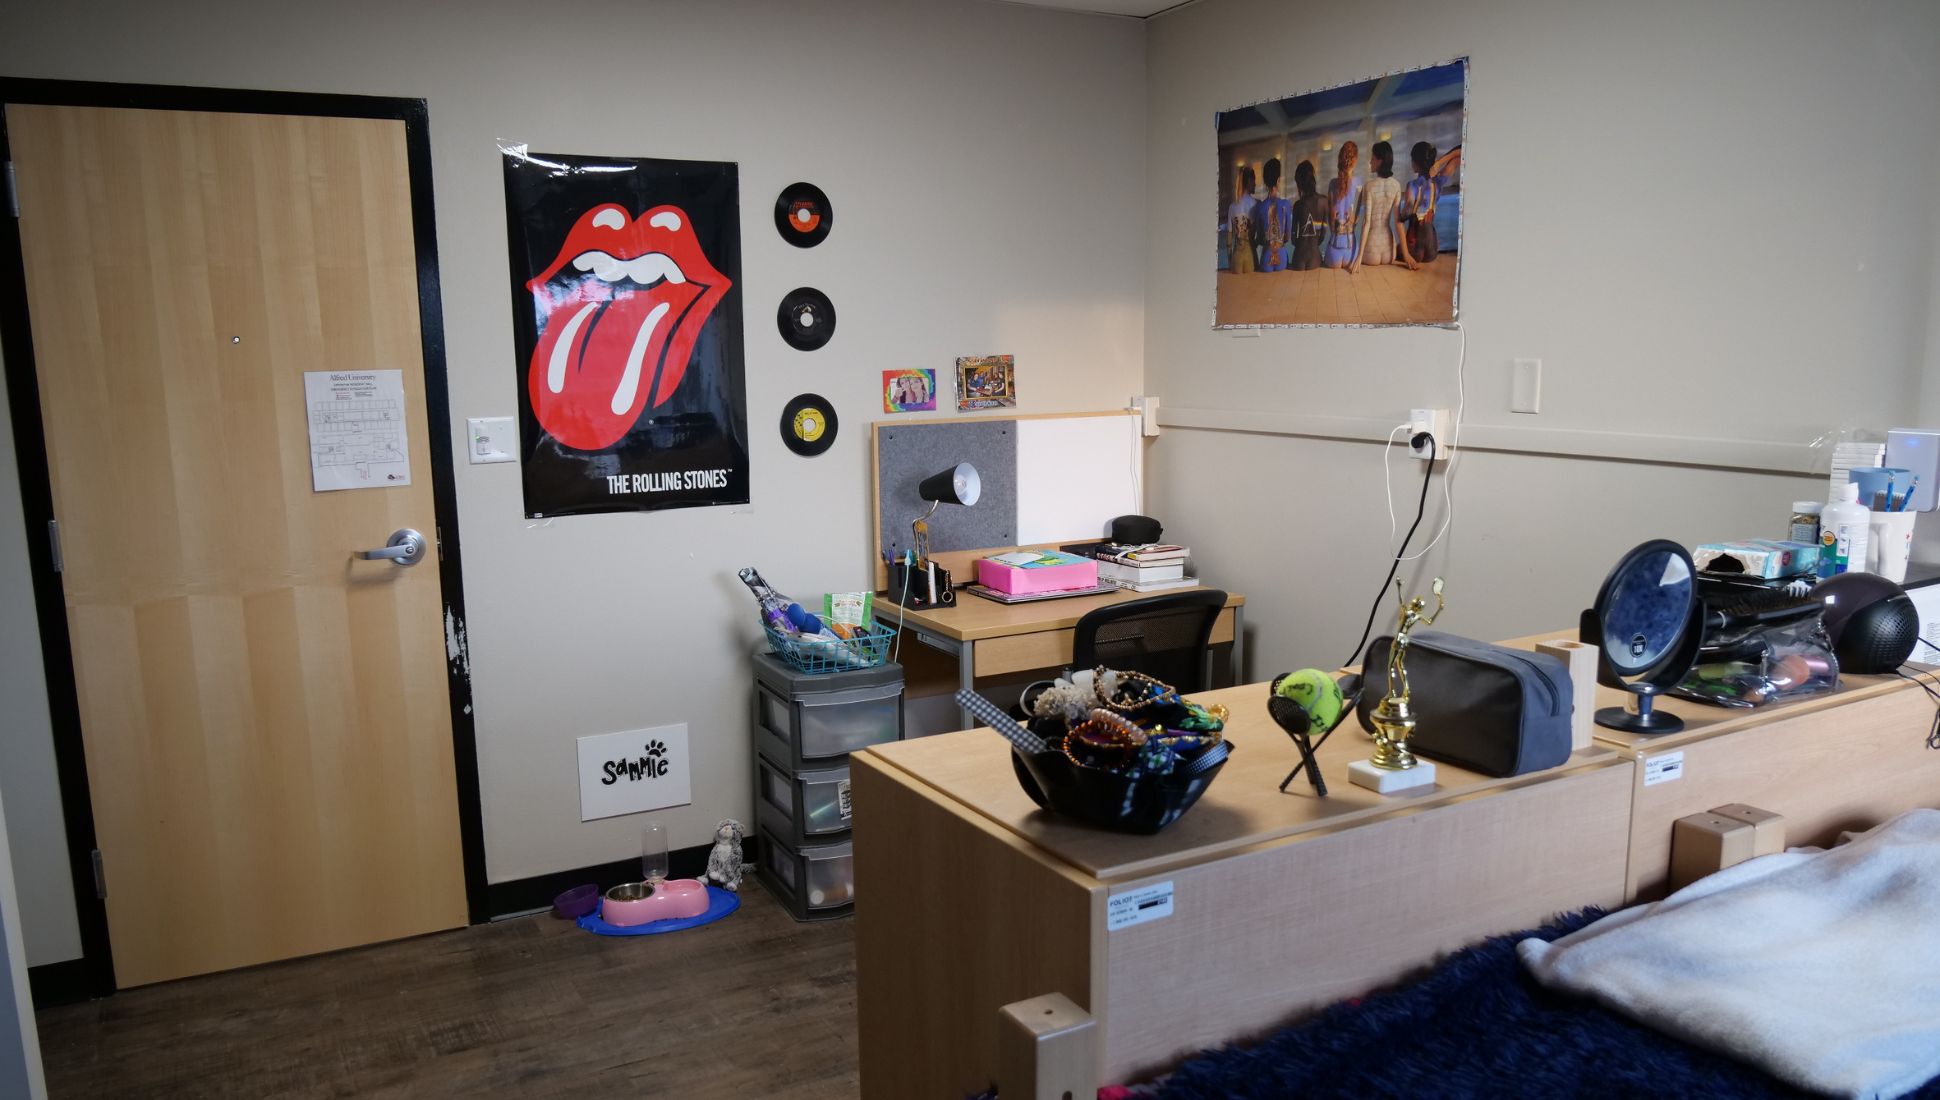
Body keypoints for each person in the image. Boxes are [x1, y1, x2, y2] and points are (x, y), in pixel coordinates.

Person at [1350, 140, 1402, 274]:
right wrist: (1406, 254)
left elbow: (1367, 223)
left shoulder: (1369, 186)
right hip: (1390, 252)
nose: (1370, 162)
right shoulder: (1396, 185)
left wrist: (1359, 257)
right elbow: (1398, 222)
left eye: (1372, 158)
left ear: (1380, 161)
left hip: (1371, 251)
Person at [1322, 141, 1362, 269]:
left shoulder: (1332, 184)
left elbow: (1331, 223)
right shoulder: (1359, 184)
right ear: (1355, 160)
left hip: (1334, 249)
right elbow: (1356, 220)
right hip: (1352, 251)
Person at [1401, 141, 1439, 268]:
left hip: (1415, 245)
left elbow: (1406, 213)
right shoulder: (1437, 184)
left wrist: (1398, 214)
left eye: (1412, 160)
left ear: (1416, 162)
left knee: (1393, 250)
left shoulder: (1412, 185)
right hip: (1432, 249)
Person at [1255, 158, 1293, 272]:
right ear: (1278, 180)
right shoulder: (1286, 205)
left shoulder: (1260, 207)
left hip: (1266, 256)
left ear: (1265, 182)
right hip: (1281, 256)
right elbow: (1287, 237)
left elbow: (1260, 239)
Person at [1291, 160, 1328, 271]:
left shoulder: (1297, 205)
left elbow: (1293, 239)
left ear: (1299, 183)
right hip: (1314, 256)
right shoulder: (1324, 201)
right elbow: (1322, 237)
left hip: (1298, 257)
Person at [1226, 165, 1257, 274]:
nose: (1255, 184)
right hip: (1250, 255)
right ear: (1249, 181)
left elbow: (1229, 239)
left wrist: (1230, 261)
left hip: (1236, 257)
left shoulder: (1232, 206)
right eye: (1254, 181)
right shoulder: (1255, 204)